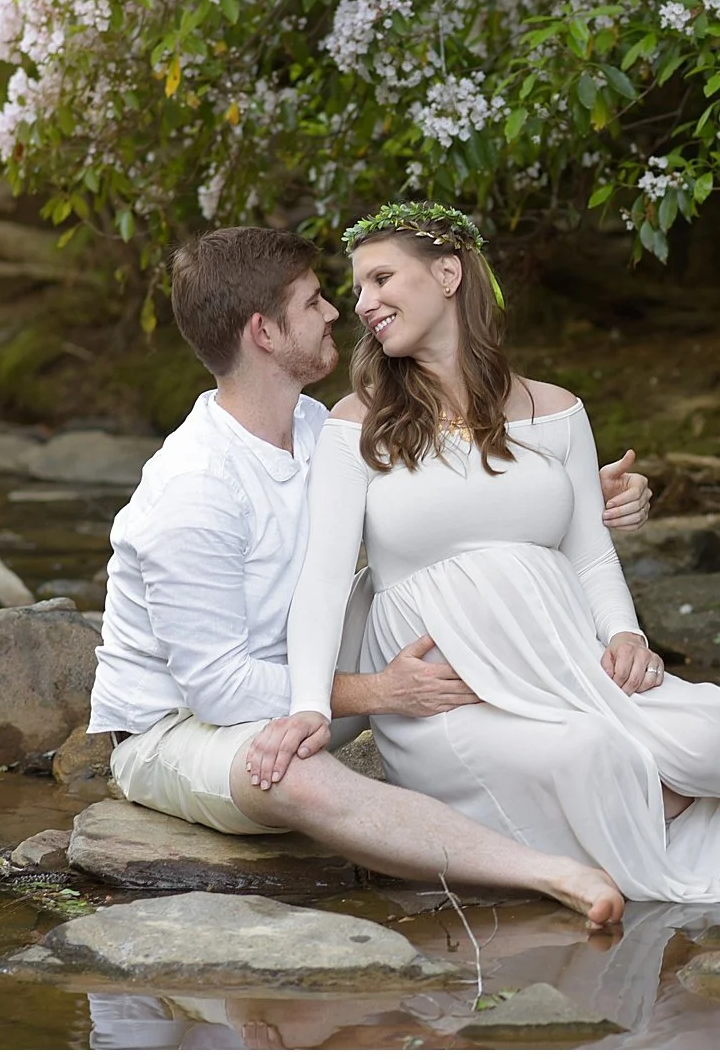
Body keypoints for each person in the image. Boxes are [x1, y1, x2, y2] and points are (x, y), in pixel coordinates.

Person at [260, 203, 720, 905]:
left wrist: (626, 634)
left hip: (564, 659)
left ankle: (620, 809)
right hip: (453, 694)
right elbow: (324, 578)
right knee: (588, 756)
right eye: (356, 289)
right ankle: (590, 827)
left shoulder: (557, 411)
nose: (363, 303)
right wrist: (310, 707)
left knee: (719, 737)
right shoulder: (359, 424)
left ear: (448, 273)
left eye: (381, 278)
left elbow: (589, 552)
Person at [85, 225, 655, 928]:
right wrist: (381, 692)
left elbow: (438, 501)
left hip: (311, 677)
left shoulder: (316, 423)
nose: (336, 312)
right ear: (264, 332)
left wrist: (571, 496)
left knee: (450, 595)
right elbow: (217, 687)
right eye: (314, 300)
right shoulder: (192, 489)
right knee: (290, 775)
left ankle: (589, 767)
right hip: (181, 726)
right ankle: (546, 872)